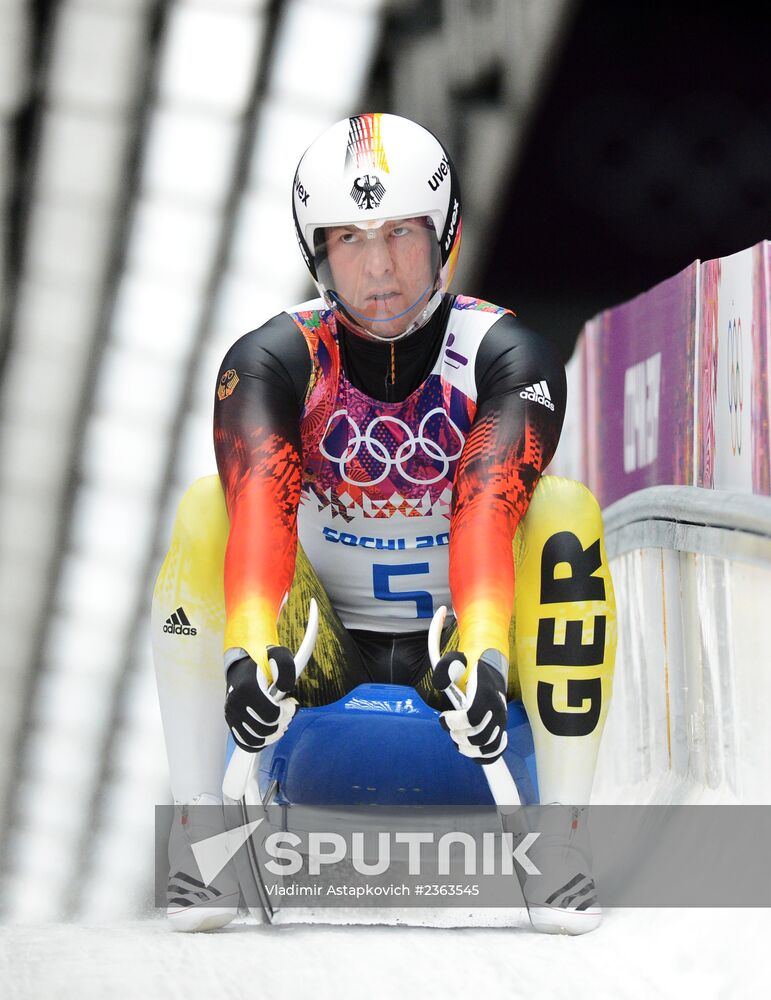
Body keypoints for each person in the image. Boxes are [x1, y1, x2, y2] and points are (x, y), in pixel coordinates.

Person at [152, 113, 617, 934]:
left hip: (465, 660)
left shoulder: (507, 356)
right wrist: (249, 654)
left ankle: (562, 835)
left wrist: (481, 652)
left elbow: (485, 506)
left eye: (401, 234)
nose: (378, 268)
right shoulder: (270, 360)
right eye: (348, 240)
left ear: (444, 237)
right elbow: (260, 511)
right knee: (203, 505)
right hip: (318, 652)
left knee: (562, 509)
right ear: (315, 252)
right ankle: (203, 827)